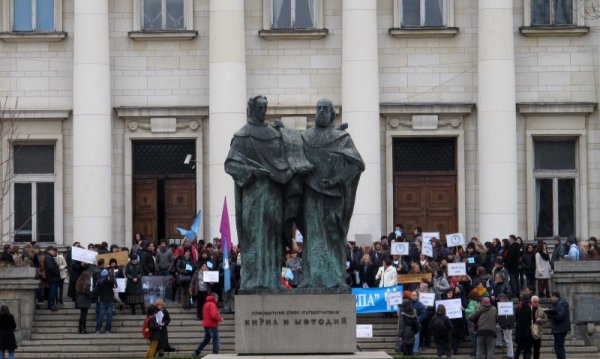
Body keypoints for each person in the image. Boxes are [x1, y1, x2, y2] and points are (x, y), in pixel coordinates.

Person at [225, 95, 310, 290]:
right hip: (254, 195)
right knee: (256, 236)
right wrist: (251, 171)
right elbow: (231, 164)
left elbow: (287, 155)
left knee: (273, 236)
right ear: (251, 109)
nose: (263, 111)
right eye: (260, 107)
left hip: (273, 193)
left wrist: (286, 132)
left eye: (265, 107)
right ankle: (254, 280)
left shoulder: (273, 134)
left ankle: (272, 279)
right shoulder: (242, 135)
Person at [299, 98, 364, 288]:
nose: (320, 112)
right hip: (311, 193)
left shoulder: (341, 138)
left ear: (332, 114)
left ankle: (336, 277)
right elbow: (294, 154)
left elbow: (356, 164)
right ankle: (310, 278)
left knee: (334, 235)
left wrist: (335, 180)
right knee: (312, 235)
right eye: (318, 108)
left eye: (325, 109)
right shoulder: (305, 136)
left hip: (334, 196)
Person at [544, 291, 571, 359]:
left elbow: (560, 316)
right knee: (558, 347)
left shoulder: (561, 304)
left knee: (559, 348)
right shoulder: (558, 304)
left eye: (551, 297)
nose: (550, 298)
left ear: (555, 296)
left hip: (560, 329)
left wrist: (549, 315)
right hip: (558, 328)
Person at [94, 269, 115, 334]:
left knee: (100, 316)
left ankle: (98, 329)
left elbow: (96, 291)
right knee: (109, 316)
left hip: (102, 300)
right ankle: (107, 330)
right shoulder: (110, 281)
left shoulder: (99, 282)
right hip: (110, 300)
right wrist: (112, 275)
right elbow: (113, 285)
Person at [496, 293, 515, 359]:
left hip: (507, 326)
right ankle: (510, 354)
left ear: (503, 299)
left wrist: (506, 325)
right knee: (508, 339)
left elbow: (510, 317)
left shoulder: (508, 306)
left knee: (508, 340)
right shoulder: (507, 305)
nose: (499, 301)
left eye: (500, 299)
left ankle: (510, 355)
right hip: (506, 325)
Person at [514, 295, 534, 359]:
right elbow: (532, 319)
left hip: (519, 333)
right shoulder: (529, 309)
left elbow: (516, 319)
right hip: (527, 333)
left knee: (519, 349)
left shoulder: (518, 308)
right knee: (527, 350)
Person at [44, 246, 61, 311]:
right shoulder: (48, 257)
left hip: (53, 277)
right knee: (52, 291)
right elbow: (51, 268)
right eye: (53, 250)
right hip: (53, 278)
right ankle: (51, 305)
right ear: (50, 250)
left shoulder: (49, 257)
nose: (54, 252)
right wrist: (57, 273)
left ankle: (52, 304)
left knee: (53, 291)